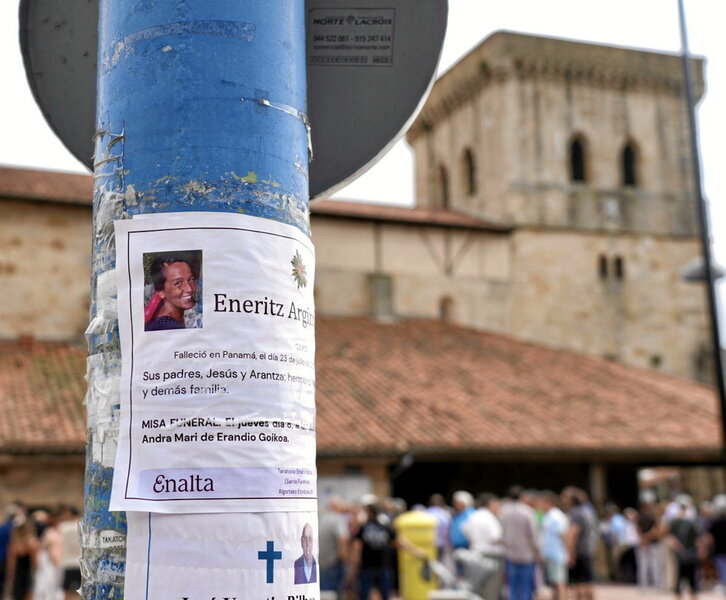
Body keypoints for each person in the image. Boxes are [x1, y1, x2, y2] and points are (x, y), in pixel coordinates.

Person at [499, 485, 540, 600]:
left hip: (509, 553)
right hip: (526, 553)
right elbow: (533, 535)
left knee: (511, 585)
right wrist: (538, 553)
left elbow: (501, 532)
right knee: (526, 585)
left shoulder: (503, 511)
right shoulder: (527, 512)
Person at [461, 492, 504, 600]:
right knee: (491, 588)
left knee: (477, 587)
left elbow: (465, 530)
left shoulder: (474, 515)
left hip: (475, 553)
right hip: (491, 556)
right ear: (491, 503)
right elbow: (496, 536)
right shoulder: (490, 517)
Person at [145, 256, 198, 331]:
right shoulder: (167, 327)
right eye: (178, 283)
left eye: (190, 279)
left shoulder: (168, 320)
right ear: (161, 292)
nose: (189, 289)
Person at [562, 486, 594, 600]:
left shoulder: (575, 513)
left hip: (579, 551)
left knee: (578, 584)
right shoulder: (587, 511)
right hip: (587, 549)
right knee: (587, 581)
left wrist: (570, 553)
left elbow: (573, 533)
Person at [667, 499, 702, 600]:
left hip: (684, 551)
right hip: (687, 551)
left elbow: (670, 537)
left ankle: (683, 593)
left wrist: (676, 546)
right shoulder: (688, 522)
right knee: (686, 573)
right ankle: (687, 593)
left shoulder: (680, 522)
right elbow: (697, 539)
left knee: (683, 573)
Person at [539, 490, 569, 600]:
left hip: (557, 553)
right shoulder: (548, 515)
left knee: (560, 582)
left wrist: (568, 553)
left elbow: (564, 535)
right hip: (550, 553)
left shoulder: (556, 516)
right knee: (554, 582)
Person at [318, 497, 349, 596]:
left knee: (324, 593)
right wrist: (343, 555)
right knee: (335, 592)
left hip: (321, 563)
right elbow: (342, 537)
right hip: (334, 563)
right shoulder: (337, 519)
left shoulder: (320, 518)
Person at [4, 514, 39, 600]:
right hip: (28, 574)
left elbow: (10, 565)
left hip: (17, 575)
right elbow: (35, 563)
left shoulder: (14, 545)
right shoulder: (32, 543)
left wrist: (10, 578)